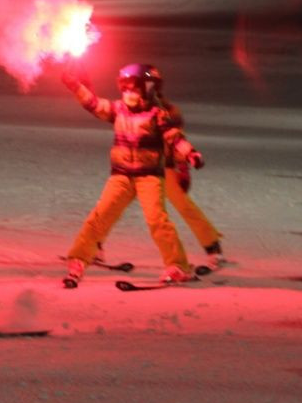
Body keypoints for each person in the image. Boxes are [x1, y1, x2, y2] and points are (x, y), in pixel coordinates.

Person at [61, 62, 204, 286]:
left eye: (134, 88)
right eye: (125, 87)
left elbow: (174, 137)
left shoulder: (157, 114)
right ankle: (79, 259)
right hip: (121, 176)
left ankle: (178, 265)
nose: (128, 92)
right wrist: (74, 85)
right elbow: (94, 104)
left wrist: (190, 154)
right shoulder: (118, 109)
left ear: (147, 89)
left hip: (149, 176)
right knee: (100, 216)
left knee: (157, 220)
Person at [95, 65, 225, 270]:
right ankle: (95, 246)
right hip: (133, 168)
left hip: (163, 169)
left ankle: (213, 247)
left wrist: (184, 165)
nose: (138, 90)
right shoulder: (132, 106)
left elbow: (176, 140)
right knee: (110, 206)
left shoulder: (167, 111)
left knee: (182, 206)